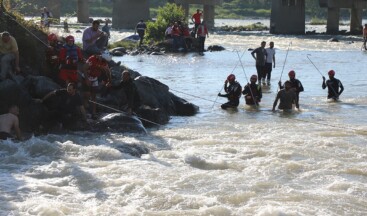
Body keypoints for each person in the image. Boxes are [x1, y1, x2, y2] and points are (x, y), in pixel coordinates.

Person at [82, 51, 112, 119]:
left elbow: (108, 71)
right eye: (104, 60)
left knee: (94, 97)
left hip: (94, 79)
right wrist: (87, 79)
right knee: (87, 94)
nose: (105, 62)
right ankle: (84, 111)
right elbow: (84, 68)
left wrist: (109, 81)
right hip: (86, 77)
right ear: (102, 57)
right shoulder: (92, 59)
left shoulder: (105, 63)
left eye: (106, 61)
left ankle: (94, 113)